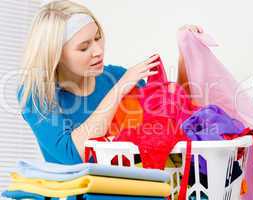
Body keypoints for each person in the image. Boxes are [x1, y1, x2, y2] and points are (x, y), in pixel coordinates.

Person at [17, 0, 203, 165]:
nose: (98, 50)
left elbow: (174, 116)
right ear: (55, 55)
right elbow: (74, 155)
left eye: (98, 38)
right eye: (84, 47)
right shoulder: (36, 94)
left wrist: (185, 54)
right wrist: (119, 89)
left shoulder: (115, 75)